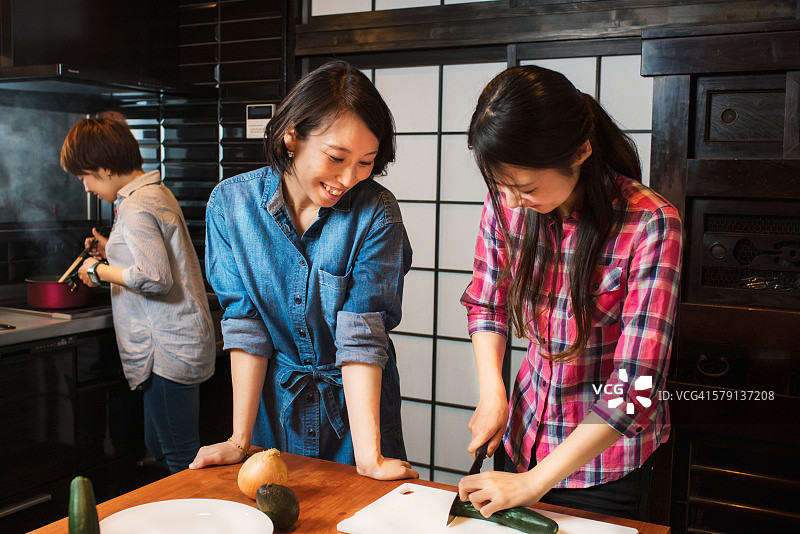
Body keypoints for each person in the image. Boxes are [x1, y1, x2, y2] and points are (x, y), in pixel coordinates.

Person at [458, 65, 682, 521]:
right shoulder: (506, 202)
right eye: (503, 185)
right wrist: (493, 392)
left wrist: (535, 481)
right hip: (523, 438)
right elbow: (487, 302)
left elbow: (634, 387)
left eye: (526, 187)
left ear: (580, 152)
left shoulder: (650, 224)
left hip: (605, 465)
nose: (513, 200)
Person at [189, 60, 417, 481]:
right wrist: (239, 440)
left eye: (366, 162)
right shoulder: (231, 205)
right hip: (276, 410)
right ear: (292, 136)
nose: (349, 179)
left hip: (358, 416)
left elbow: (362, 332)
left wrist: (369, 456)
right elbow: (245, 325)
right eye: (336, 157)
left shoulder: (376, 212)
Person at [63, 111, 216, 474]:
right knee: (160, 447)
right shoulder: (153, 193)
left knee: (178, 456)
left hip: (167, 348)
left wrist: (97, 271)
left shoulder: (135, 206)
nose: (85, 186)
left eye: (84, 176)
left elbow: (156, 277)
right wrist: (110, 249)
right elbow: (151, 256)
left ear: (103, 167)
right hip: (176, 342)